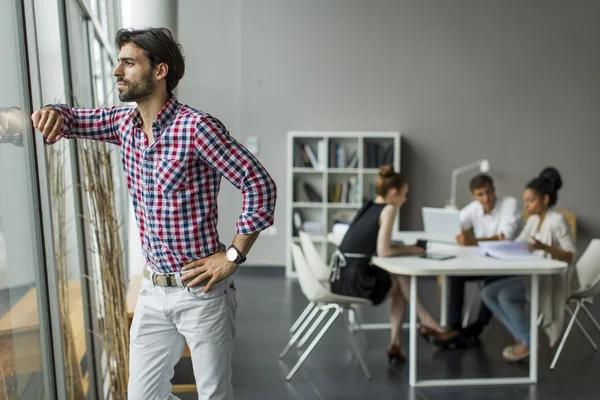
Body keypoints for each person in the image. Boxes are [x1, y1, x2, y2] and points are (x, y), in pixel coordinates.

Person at [31, 27, 277, 399]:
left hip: (202, 292)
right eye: (118, 62)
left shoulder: (196, 128)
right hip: (152, 291)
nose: (118, 71)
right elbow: (73, 119)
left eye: (129, 63)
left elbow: (258, 183)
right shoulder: (123, 125)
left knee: (214, 395)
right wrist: (51, 113)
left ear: (159, 71)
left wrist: (232, 256)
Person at [330, 165, 459, 364]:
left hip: (339, 276)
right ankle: (427, 323)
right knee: (401, 280)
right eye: (404, 195)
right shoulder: (389, 209)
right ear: (393, 193)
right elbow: (384, 251)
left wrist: (402, 246)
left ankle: (397, 342)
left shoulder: (369, 205)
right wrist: (412, 249)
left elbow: (370, 242)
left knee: (400, 282)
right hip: (355, 283)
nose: (405, 200)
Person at [481, 167, 575, 362]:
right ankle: (523, 337)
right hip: (533, 275)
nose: (526, 206)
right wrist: (502, 245)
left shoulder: (557, 221)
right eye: (526, 201)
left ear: (545, 199)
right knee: (488, 293)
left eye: (531, 201)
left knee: (506, 296)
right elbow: (520, 244)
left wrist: (545, 247)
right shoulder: (533, 221)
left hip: (551, 279)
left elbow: (570, 255)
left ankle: (527, 341)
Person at [444, 174, 522, 342]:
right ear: (474, 196)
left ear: (494, 191)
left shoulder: (510, 204)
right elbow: (452, 227)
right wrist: (459, 235)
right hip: (481, 262)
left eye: (488, 192)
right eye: (480, 194)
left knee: (492, 280)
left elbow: (504, 239)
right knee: (454, 275)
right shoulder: (473, 209)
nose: (486, 198)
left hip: (506, 264)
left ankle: (479, 324)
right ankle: (454, 327)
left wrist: (471, 241)